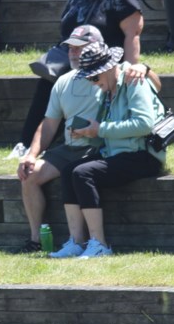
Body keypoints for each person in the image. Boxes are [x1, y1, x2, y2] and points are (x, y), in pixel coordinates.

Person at [16, 25, 158, 253]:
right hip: (74, 147)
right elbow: (49, 123)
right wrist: (31, 155)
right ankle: (41, 241)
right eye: (70, 48)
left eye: (78, 48)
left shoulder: (123, 74)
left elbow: (153, 91)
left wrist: (144, 67)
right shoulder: (66, 81)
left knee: (80, 171)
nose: (73, 53)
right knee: (35, 174)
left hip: (102, 147)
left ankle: (97, 243)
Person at [12, 0, 143, 155]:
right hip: (71, 61)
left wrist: (129, 68)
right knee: (47, 84)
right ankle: (27, 144)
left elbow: (133, 33)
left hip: (102, 65)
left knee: (64, 87)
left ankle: (41, 145)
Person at [48, 41, 166, 259]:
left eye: (95, 77)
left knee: (83, 173)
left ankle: (99, 244)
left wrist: (100, 129)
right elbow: (105, 134)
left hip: (143, 155)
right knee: (68, 171)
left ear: (109, 68)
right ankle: (76, 242)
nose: (93, 83)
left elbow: (144, 124)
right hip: (117, 154)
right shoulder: (106, 91)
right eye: (89, 78)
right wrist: (87, 133)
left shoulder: (133, 82)